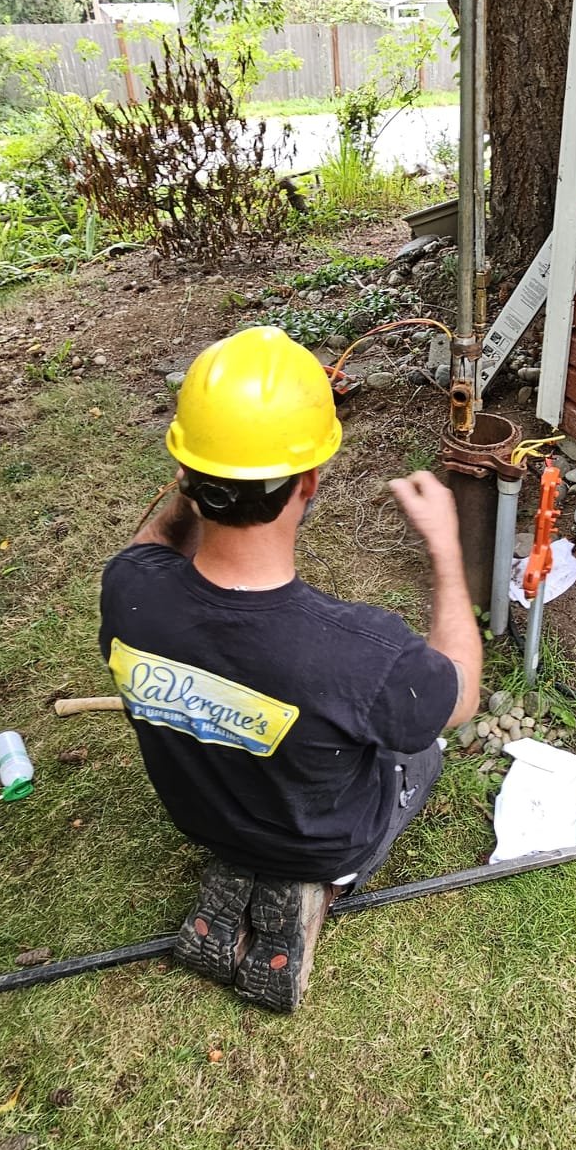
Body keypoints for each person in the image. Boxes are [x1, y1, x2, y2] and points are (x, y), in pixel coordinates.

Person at [99, 325, 481, 1012]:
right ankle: (321, 883)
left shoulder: (130, 590)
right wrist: (447, 554)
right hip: (322, 843)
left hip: (201, 819)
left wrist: (203, 476)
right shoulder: (363, 652)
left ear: (186, 473)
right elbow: (461, 693)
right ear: (309, 482)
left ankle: (246, 868)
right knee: (421, 748)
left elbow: (150, 545)